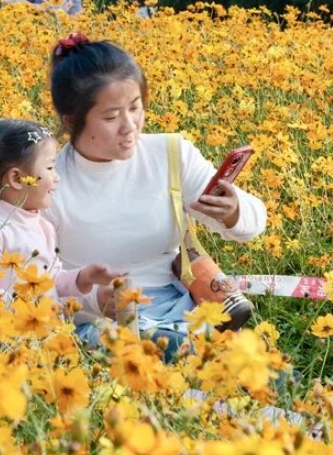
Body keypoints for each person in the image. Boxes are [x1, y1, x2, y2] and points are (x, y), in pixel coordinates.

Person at [43, 34, 268, 362]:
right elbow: (29, 281)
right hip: (95, 323)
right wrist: (92, 299)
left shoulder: (170, 154)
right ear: (72, 121)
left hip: (177, 311)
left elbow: (252, 226)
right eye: (110, 117)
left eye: (135, 108)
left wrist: (233, 212)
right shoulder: (50, 181)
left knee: (254, 369)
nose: (129, 126)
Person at [0, 118, 121, 305]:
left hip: (45, 330)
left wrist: (82, 278)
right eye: (49, 167)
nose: (57, 177)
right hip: (9, 331)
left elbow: (51, 281)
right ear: (17, 178)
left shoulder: (43, 227)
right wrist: (26, 310)